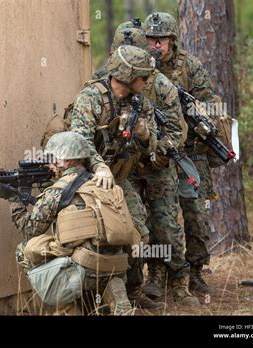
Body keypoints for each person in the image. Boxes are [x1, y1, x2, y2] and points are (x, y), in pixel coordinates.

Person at [101, 27, 199, 306]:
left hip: (158, 164)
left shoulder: (162, 87)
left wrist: (155, 149)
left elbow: (177, 132)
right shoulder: (104, 84)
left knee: (165, 227)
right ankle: (134, 288)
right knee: (131, 226)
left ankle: (179, 282)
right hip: (124, 167)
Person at [0, 132, 135, 315]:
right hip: (118, 265)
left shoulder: (57, 191)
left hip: (86, 270)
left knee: (24, 250)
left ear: (66, 161)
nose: (49, 164)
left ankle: (66, 307)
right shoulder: (105, 184)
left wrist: (13, 198)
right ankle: (113, 289)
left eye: (52, 158)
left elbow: (29, 229)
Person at [69, 45, 164, 310]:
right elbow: (81, 140)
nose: (146, 83)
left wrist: (145, 135)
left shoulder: (139, 103)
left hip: (118, 180)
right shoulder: (91, 97)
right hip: (86, 179)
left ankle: (132, 293)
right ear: (129, 75)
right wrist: (99, 167)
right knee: (101, 239)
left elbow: (152, 148)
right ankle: (96, 299)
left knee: (139, 235)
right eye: (143, 77)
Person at [142, 12, 218, 295]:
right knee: (160, 217)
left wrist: (190, 109)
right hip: (157, 152)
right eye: (151, 39)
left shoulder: (191, 67)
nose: (155, 45)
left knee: (196, 214)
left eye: (160, 40)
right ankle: (158, 272)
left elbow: (209, 109)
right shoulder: (142, 66)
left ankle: (196, 272)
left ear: (172, 41)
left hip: (190, 153)